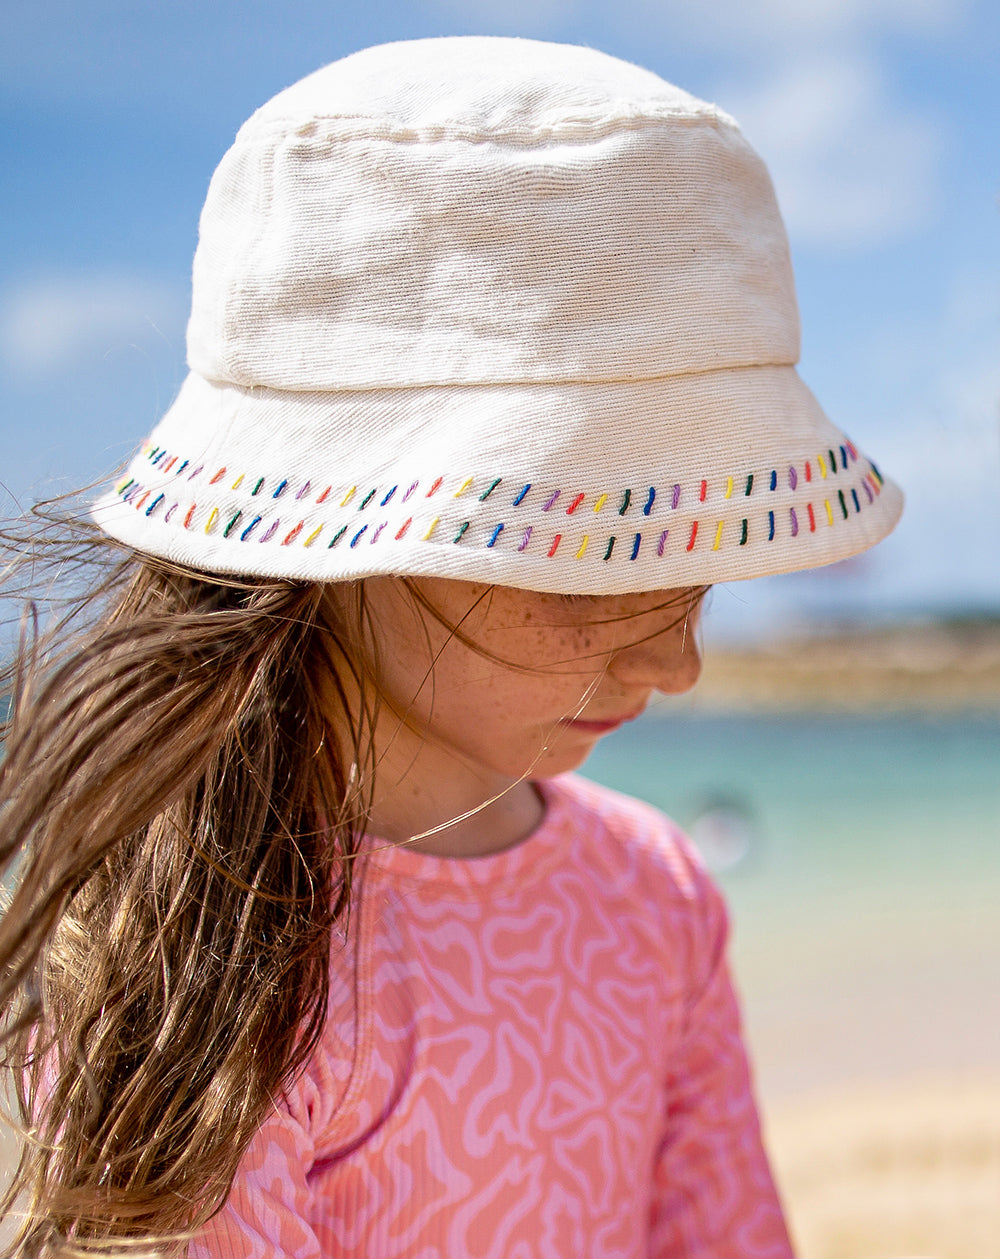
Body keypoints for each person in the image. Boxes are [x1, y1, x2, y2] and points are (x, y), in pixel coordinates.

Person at [0, 36, 903, 1259]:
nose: (674, 661)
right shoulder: (196, 953)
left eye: (689, 563)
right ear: (336, 532)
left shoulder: (655, 891)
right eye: (588, 561)